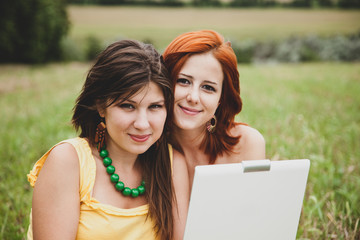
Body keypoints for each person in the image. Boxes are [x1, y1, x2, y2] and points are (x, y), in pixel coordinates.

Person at [26, 39, 189, 240]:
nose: (142, 123)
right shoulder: (68, 162)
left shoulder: (173, 164)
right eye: (128, 106)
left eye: (155, 106)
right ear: (101, 107)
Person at [162, 30, 266, 186]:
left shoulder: (247, 143)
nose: (193, 98)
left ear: (220, 100)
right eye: (184, 81)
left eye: (208, 88)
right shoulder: (147, 145)